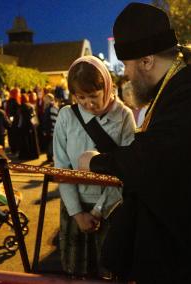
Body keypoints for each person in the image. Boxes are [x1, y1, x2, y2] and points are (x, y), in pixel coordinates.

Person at [77, 3, 191, 283]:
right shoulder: (184, 85)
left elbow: (156, 163)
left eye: (127, 65)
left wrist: (95, 162)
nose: (127, 74)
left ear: (147, 61)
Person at [54, 55, 136, 279]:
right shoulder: (66, 117)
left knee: (111, 271)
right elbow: (61, 167)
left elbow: (128, 168)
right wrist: (78, 213)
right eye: (80, 97)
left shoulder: (124, 117)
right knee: (76, 273)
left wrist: (98, 211)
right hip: (74, 208)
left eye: (93, 96)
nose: (88, 104)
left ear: (107, 88)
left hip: (112, 209)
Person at [42, 93, 58, 162]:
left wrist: (53, 130)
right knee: (49, 144)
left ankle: (50, 157)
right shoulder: (48, 107)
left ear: (50, 99)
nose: (44, 100)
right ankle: (49, 157)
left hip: (51, 130)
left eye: (46, 99)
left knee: (51, 144)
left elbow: (55, 119)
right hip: (48, 129)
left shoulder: (52, 107)